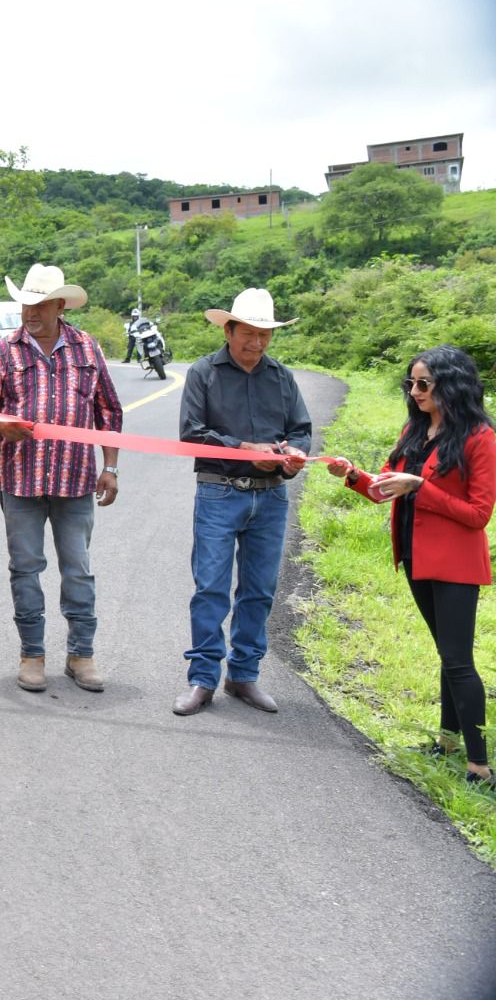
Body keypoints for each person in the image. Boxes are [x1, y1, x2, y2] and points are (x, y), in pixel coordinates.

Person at [326, 346, 493, 789]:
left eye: (424, 384)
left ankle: (480, 766)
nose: (415, 392)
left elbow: (478, 514)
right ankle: (447, 742)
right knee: (446, 654)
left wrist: (419, 486)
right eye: (411, 384)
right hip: (416, 556)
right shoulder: (415, 431)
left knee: (458, 662)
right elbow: (385, 489)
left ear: (451, 385)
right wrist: (353, 475)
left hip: (455, 563)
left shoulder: (479, 437)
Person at [0, 262, 122, 693]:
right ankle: (32, 654)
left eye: (38, 304)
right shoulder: (4, 351)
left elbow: (108, 411)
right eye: (25, 304)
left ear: (59, 304)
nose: (30, 313)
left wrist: (109, 467)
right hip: (20, 480)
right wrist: (1, 424)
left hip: (76, 482)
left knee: (78, 569)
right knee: (26, 567)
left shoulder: (87, 349)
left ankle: (81, 655)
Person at [174, 287, 311, 716]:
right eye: (248, 333)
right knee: (211, 587)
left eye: (264, 334)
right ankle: (202, 680)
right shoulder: (204, 373)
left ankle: (244, 676)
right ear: (229, 330)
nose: (256, 342)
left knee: (259, 590)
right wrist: (245, 448)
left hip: (270, 498)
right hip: (218, 491)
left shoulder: (282, 377)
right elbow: (192, 433)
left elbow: (302, 430)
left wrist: (291, 459)